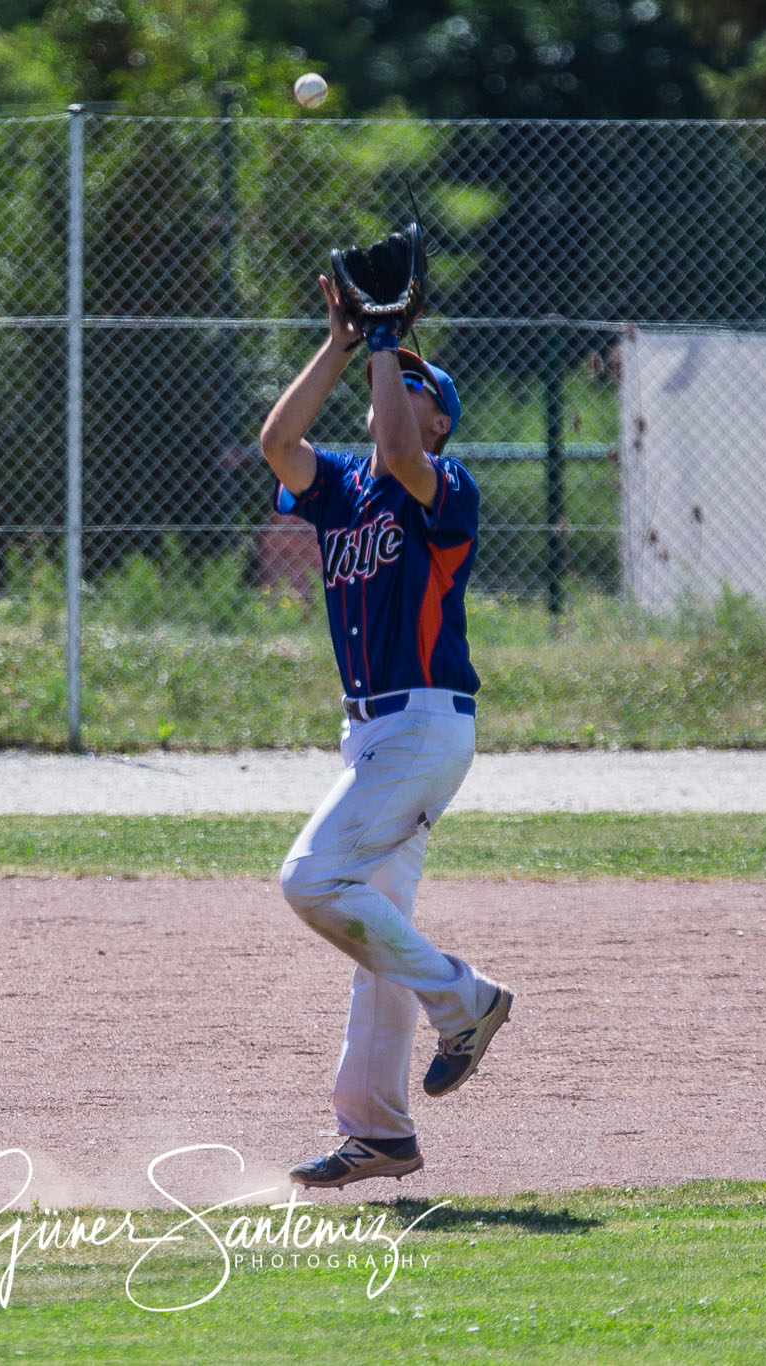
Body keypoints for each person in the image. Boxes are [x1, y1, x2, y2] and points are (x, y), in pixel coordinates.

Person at [257, 270, 513, 1190]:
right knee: (376, 940)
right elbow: (278, 441)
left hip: (422, 726)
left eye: (412, 381)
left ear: (438, 419)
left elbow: (402, 453)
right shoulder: (339, 492)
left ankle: (467, 1000)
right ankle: (380, 1133)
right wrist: (339, 338)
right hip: (371, 735)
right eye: (389, 373)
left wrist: (382, 343)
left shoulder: (440, 484)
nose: (390, 384)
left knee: (309, 879)